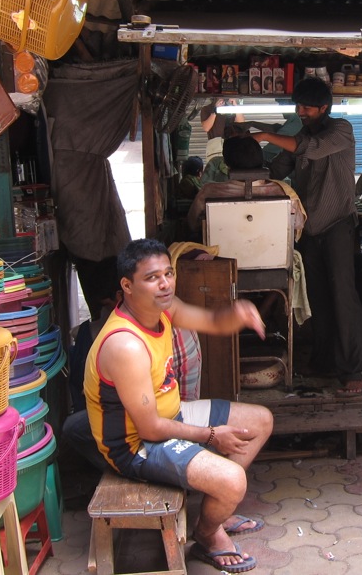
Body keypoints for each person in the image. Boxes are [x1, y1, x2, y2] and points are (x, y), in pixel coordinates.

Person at [80, 238, 273, 573]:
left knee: (261, 421)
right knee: (232, 481)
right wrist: (211, 435)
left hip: (170, 415)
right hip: (135, 445)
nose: (165, 284)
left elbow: (212, 322)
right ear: (127, 285)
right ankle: (208, 534)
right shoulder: (125, 344)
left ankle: (215, 513)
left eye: (168, 274)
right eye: (152, 277)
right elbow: (150, 428)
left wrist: (238, 314)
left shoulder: (162, 308)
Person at [254, 77, 362, 397]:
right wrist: (248, 158)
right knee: (317, 297)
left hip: (338, 225)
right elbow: (277, 170)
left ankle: (354, 371)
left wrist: (265, 134)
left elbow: (311, 150)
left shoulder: (341, 130)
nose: (300, 112)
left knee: (343, 297)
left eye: (306, 107)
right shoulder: (301, 136)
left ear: (324, 107)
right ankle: (323, 361)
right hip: (309, 229)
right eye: (298, 106)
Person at [187, 135, 307, 238]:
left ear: (226, 163)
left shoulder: (208, 192)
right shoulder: (285, 192)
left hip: (220, 255)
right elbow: (298, 224)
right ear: (261, 160)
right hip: (275, 255)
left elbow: (192, 225)